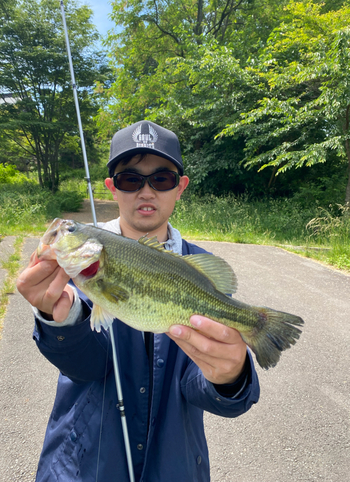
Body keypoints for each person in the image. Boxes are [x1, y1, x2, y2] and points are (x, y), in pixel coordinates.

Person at [17, 121, 260, 482]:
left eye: (161, 179)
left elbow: (199, 387)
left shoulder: (197, 272)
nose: (146, 191)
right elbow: (86, 368)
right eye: (131, 179)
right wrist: (59, 322)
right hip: (82, 470)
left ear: (180, 187)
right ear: (112, 188)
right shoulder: (79, 271)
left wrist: (230, 377)